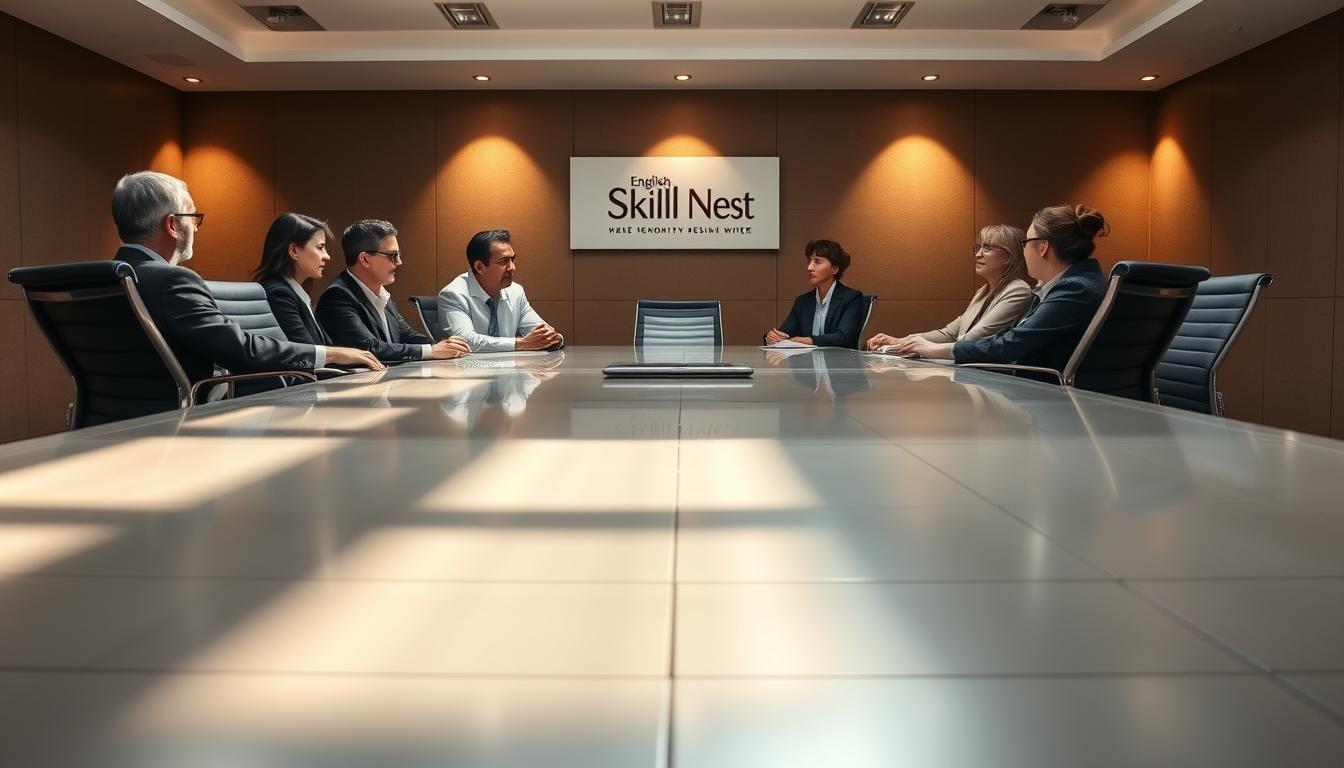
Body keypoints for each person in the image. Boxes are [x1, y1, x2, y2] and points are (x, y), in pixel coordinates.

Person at [109, 171, 384, 383]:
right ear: (172, 225)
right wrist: (331, 354)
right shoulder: (174, 282)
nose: (196, 227)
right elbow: (242, 350)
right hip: (179, 426)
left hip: (109, 425)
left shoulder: (102, 280)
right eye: (193, 217)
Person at [895, 205, 1109, 370]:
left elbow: (1011, 344)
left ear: (1042, 247)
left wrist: (935, 350)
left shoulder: (1074, 290)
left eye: (1025, 243)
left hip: (1048, 402)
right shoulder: (1076, 284)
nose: (1023, 250)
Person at [315, 219, 469, 363]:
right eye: (393, 256)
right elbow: (370, 348)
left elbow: (407, 335)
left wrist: (445, 346)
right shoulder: (337, 297)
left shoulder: (381, 293)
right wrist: (430, 350)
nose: (399, 262)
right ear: (365, 259)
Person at [866, 225, 1034, 352]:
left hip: (994, 376)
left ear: (1009, 257)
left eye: (988, 248)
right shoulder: (983, 291)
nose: (978, 254)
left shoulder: (1018, 290)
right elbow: (949, 333)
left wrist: (926, 348)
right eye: (978, 247)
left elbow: (974, 338)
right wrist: (899, 341)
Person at [438, 229, 563, 352]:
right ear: (480, 267)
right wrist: (522, 343)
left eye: (512, 260)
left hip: (511, 368)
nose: (512, 268)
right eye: (504, 261)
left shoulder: (516, 292)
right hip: (469, 369)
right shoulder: (453, 295)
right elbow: (466, 341)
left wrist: (553, 338)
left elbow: (541, 333)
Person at [763, 239, 866, 349]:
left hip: (839, 363)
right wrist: (772, 337)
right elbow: (785, 333)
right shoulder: (803, 301)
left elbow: (844, 337)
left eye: (817, 262)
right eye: (809, 261)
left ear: (835, 269)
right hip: (808, 362)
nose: (809, 268)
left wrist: (808, 340)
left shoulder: (851, 298)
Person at [253, 213, 334, 346]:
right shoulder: (279, 293)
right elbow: (307, 350)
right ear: (294, 251)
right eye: (320, 247)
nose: (327, 256)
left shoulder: (294, 291)